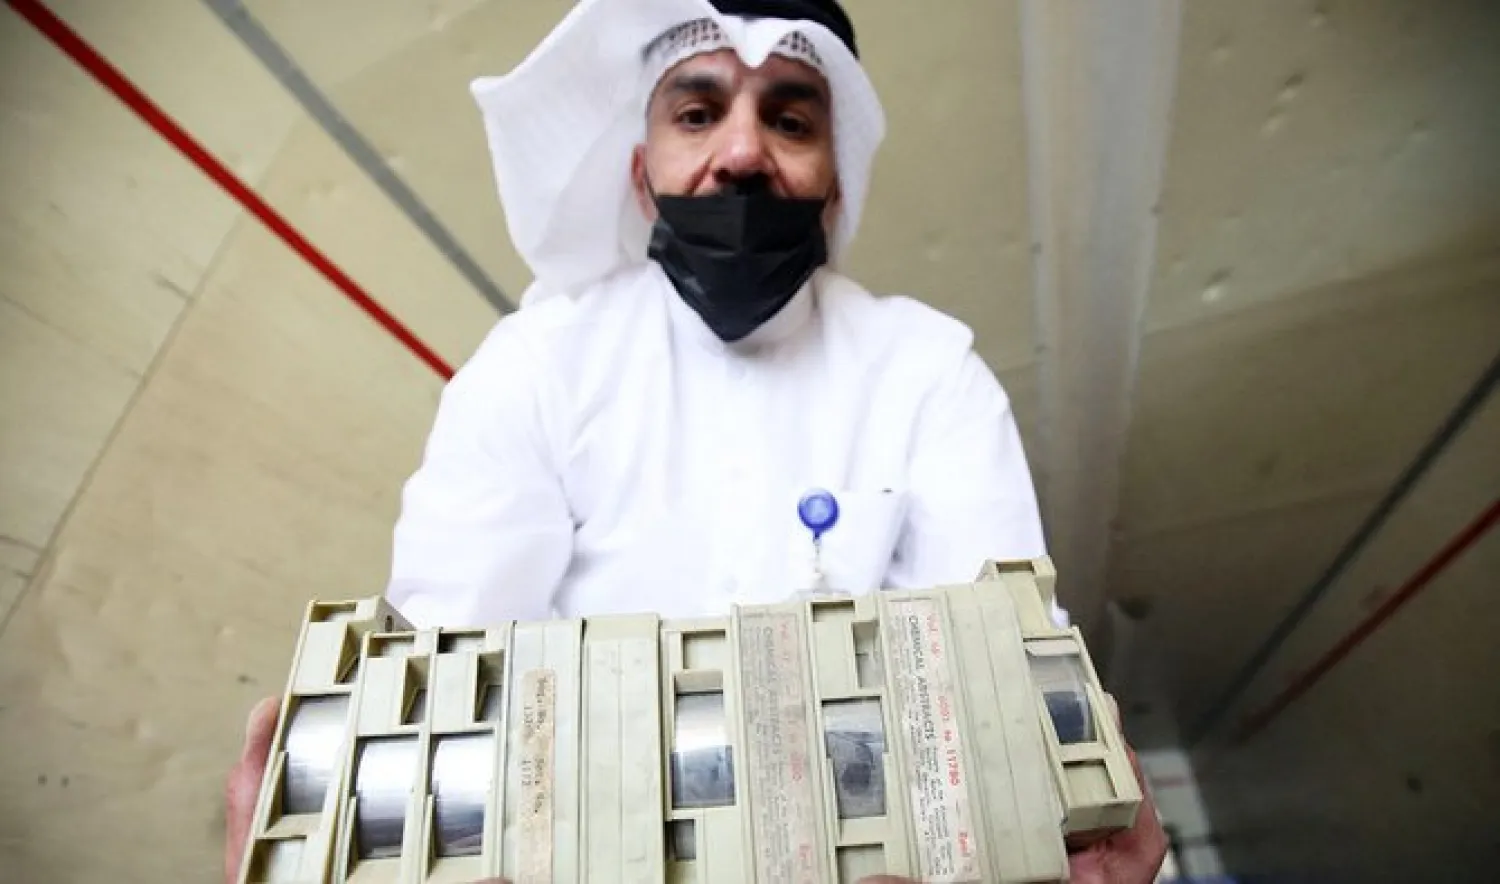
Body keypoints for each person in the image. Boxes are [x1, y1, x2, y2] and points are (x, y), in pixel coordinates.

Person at [225, 1, 1166, 881]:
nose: (744, 153)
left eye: (791, 121)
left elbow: (998, 691)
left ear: (838, 187)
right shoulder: (537, 367)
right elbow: (437, 684)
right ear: (641, 173)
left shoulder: (929, 372)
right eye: (697, 113)